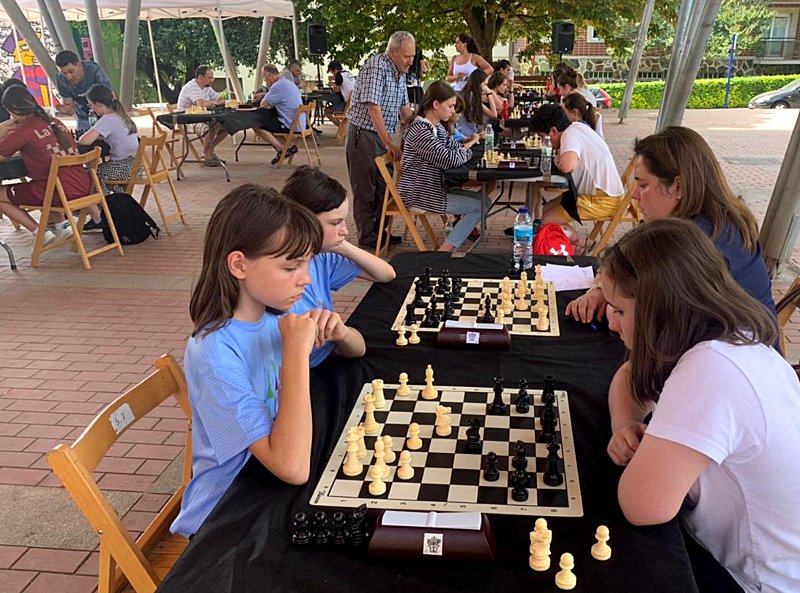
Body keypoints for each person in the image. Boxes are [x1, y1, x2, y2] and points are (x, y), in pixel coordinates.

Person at [599, 218, 800, 593]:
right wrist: (623, 424)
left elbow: (641, 507)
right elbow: (630, 374)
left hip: (752, 581)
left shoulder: (712, 370)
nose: (612, 324)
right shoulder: (731, 336)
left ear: (661, 309)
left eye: (621, 311)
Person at [171, 184, 325, 538]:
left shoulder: (276, 314)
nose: (307, 278)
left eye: (307, 263)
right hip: (227, 512)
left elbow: (357, 350)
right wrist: (296, 354)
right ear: (239, 264)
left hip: (266, 481)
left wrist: (341, 333)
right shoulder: (213, 352)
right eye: (291, 267)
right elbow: (292, 467)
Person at [566, 125, 776, 324]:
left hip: (726, 355)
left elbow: (641, 313)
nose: (636, 195)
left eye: (643, 185)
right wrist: (600, 289)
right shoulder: (719, 219)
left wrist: (612, 299)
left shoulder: (692, 243)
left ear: (678, 187)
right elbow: (623, 263)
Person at [281, 166, 395, 366]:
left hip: (327, 356)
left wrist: (341, 245)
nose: (345, 231)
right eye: (335, 223)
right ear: (304, 221)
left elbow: (386, 273)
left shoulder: (323, 258)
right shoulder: (275, 287)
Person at [346, 31, 416, 248]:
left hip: (380, 135)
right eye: (406, 56)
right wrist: (388, 142)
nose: (410, 61)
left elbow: (405, 110)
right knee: (366, 189)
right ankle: (367, 236)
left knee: (384, 187)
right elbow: (373, 108)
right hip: (364, 135)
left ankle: (380, 232)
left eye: (412, 56)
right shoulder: (377, 67)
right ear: (393, 51)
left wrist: (422, 130)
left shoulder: (400, 72)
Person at [398, 81, 486, 252]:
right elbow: (449, 159)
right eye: (451, 106)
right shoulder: (420, 130)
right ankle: (444, 252)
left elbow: (453, 149)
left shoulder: (436, 127)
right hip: (419, 193)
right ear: (436, 104)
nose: (453, 111)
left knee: (485, 201)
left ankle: (447, 247)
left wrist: (462, 150)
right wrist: (467, 151)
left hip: (433, 187)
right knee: (480, 206)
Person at [0, 86, 89, 245]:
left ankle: (38, 231)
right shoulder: (55, 122)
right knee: (43, 181)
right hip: (82, 185)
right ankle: (62, 226)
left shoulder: (24, 130)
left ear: (13, 109)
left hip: (57, 191)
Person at [528, 103, 623, 229]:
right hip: (600, 194)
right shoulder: (577, 127)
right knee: (547, 208)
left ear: (553, 131)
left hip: (603, 200)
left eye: (542, 137)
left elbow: (567, 166)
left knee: (547, 220)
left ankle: (580, 243)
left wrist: (559, 160)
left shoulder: (569, 135)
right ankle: (571, 241)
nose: (542, 142)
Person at [79, 84, 139, 206]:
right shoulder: (120, 115)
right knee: (102, 174)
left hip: (122, 167)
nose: (91, 109)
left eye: (90, 105)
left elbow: (83, 141)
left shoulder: (107, 119)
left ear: (97, 103)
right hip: (135, 165)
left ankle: (105, 208)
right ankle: (122, 204)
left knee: (92, 174)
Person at [176, 66, 228, 165]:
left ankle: (209, 150)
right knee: (211, 129)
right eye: (209, 78)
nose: (212, 80)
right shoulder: (192, 87)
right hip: (187, 120)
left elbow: (221, 100)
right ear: (200, 77)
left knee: (226, 126)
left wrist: (212, 102)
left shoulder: (206, 87)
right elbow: (201, 104)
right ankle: (208, 156)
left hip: (202, 118)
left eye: (212, 77)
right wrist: (213, 103)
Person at [54, 50, 114, 134]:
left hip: (104, 115)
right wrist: (67, 109)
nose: (69, 77)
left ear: (79, 65)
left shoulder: (94, 70)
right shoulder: (60, 79)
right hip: (83, 117)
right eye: (64, 73)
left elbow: (111, 98)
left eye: (71, 71)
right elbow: (71, 108)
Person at [256, 64, 303, 165]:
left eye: (265, 78)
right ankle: (287, 148)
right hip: (300, 122)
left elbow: (263, 104)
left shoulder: (277, 86)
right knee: (270, 123)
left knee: (256, 124)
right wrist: (266, 94)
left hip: (291, 124)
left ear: (269, 76)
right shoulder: (287, 82)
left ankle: (284, 149)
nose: (265, 81)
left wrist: (265, 96)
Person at [455, 70, 497, 138]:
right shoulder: (471, 97)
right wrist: (489, 93)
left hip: (466, 134)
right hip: (466, 136)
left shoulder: (468, 95)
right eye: (485, 84)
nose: (486, 87)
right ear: (478, 83)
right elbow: (494, 114)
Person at [324, 60, 355, 127]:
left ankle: (342, 128)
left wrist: (332, 85)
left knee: (327, 111)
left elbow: (336, 90)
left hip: (347, 106)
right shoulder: (348, 73)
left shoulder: (339, 75)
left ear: (334, 70)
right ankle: (345, 128)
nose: (333, 75)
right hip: (354, 104)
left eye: (332, 73)